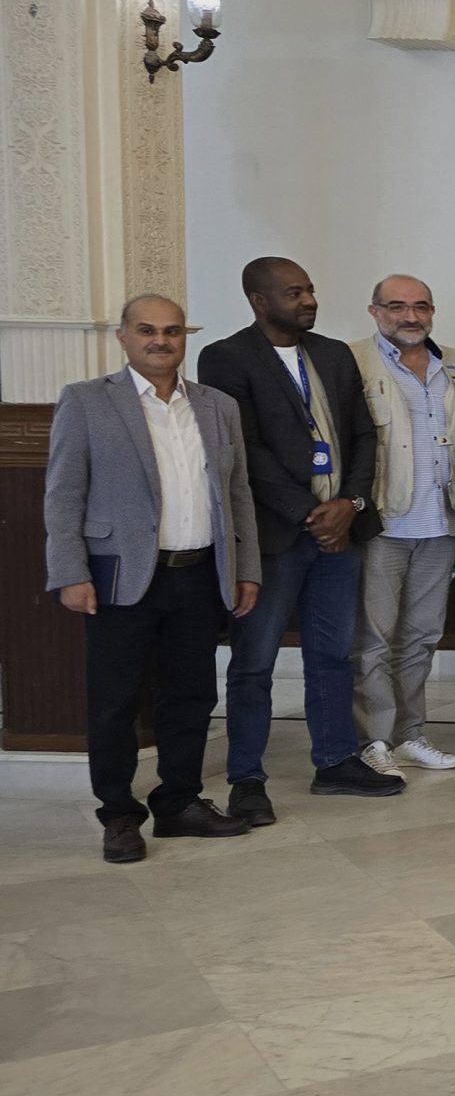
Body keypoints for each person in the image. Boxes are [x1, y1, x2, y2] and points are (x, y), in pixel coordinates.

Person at [45, 295, 262, 862]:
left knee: (191, 696)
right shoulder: (87, 401)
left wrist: (245, 569)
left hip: (199, 574)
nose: (160, 341)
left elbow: (238, 494)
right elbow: (63, 494)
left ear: (184, 337)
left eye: (172, 331)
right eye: (147, 330)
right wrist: (69, 571)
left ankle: (179, 803)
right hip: (119, 577)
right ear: (122, 337)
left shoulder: (217, 405)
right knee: (115, 702)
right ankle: (118, 815)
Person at [199, 256, 396, 814]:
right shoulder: (225, 357)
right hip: (274, 539)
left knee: (332, 655)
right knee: (254, 662)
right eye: (293, 293)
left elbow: (364, 435)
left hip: (340, 534)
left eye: (309, 289)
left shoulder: (332, 354)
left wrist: (349, 506)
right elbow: (246, 450)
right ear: (259, 301)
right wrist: (313, 514)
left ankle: (335, 762)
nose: (308, 300)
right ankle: (246, 780)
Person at [352, 275, 455, 775]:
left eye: (421, 307)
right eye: (397, 306)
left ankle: (410, 735)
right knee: (373, 639)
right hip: (384, 523)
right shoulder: (355, 361)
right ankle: (374, 740)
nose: (410, 316)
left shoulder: (452, 362)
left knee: (421, 637)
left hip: (441, 522)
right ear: (375, 310)